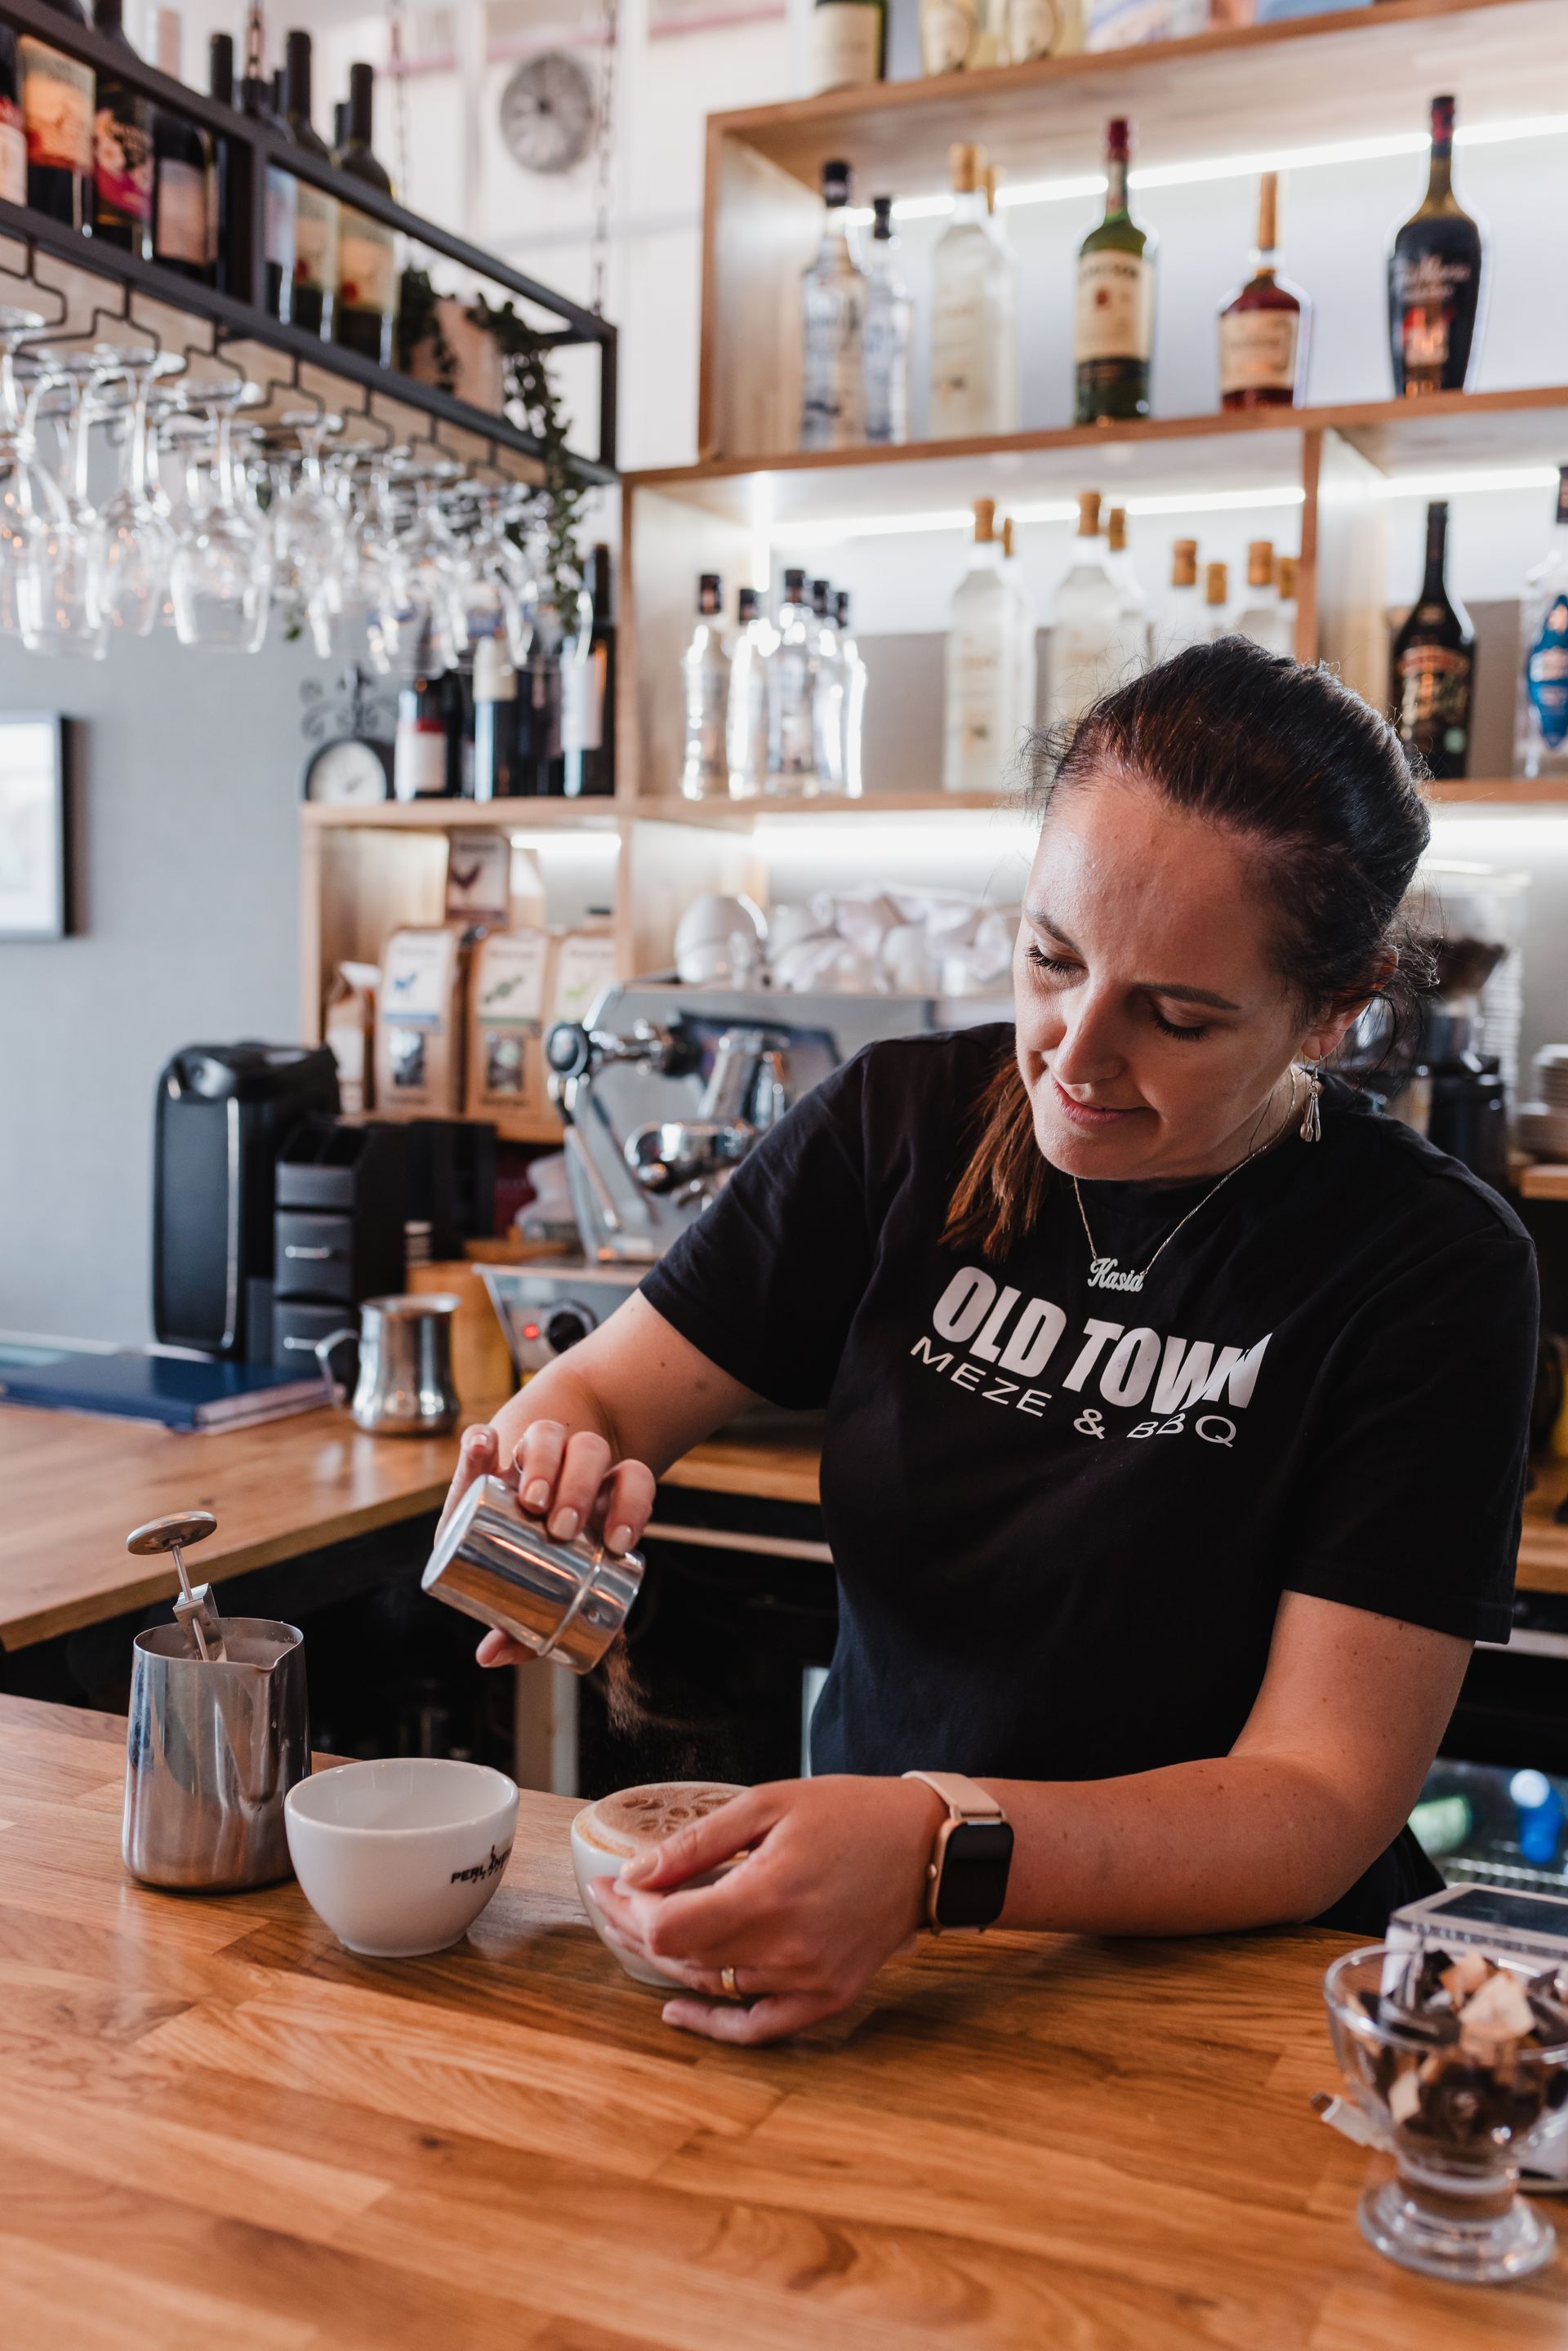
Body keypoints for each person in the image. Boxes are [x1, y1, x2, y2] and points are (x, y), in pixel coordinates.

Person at [443, 638, 1538, 2046]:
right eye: (1050, 959)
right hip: (866, 1959)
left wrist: (933, 1852)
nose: (1073, 1059)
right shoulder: (899, 1123)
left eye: (1179, 1016)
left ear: (1336, 1010)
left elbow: (1317, 1798)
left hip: (1219, 2009)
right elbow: (603, 1387)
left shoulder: (1427, 1266)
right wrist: (549, 1473)